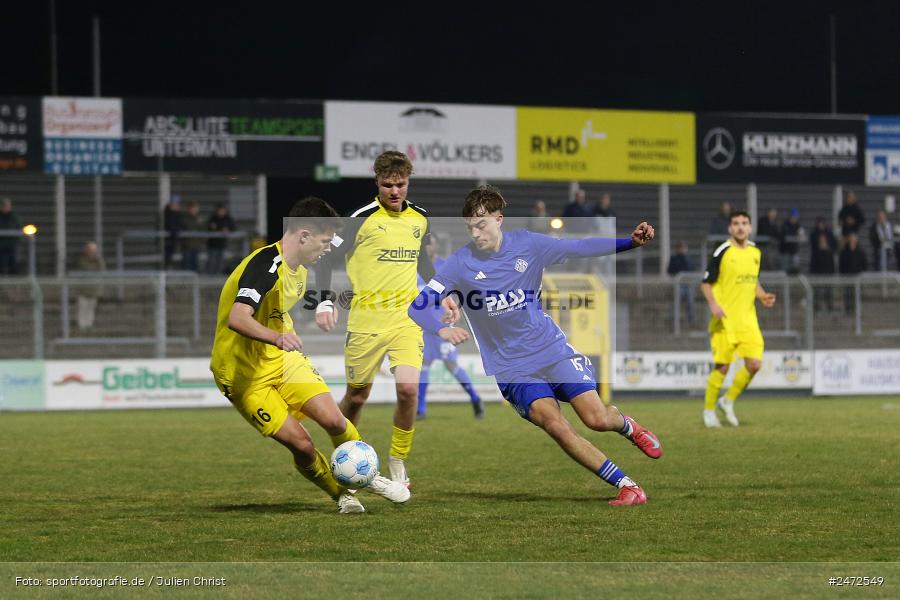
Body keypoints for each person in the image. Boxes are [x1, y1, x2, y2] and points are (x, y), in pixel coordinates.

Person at [408, 185, 662, 507]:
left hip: (550, 349)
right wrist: (442, 329)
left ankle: (628, 426)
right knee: (556, 425)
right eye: (470, 226)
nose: (475, 233)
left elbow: (580, 247)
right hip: (511, 367)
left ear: (499, 219)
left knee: (597, 419)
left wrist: (629, 242)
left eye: (481, 224)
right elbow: (417, 306)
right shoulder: (460, 262)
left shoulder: (528, 244)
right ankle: (628, 486)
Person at [209, 196, 409, 514]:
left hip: (282, 360)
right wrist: (277, 336)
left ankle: (368, 475)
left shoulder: (301, 267)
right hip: (242, 375)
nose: (328, 249)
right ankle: (341, 495)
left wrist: (324, 305)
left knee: (335, 420)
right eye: (325, 241)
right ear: (303, 235)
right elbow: (238, 318)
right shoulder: (265, 265)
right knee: (302, 445)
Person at [314, 150, 435, 489]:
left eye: (401, 185)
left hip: (406, 320)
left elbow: (424, 263)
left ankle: (398, 461)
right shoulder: (360, 219)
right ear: (377, 183)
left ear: (408, 182)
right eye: (387, 185)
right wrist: (324, 302)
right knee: (356, 398)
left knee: (408, 390)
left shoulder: (421, 218)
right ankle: (345, 456)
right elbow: (325, 260)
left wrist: (444, 293)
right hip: (366, 322)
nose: (395, 191)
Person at [700, 210, 777, 428]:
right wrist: (713, 305)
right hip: (725, 320)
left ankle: (727, 400)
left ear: (750, 227)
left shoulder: (755, 252)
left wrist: (762, 295)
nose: (740, 227)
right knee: (722, 368)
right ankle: (709, 411)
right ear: (730, 228)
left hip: (748, 320)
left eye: (744, 223)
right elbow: (705, 282)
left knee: (754, 364)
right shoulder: (723, 250)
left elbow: (752, 281)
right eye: (736, 223)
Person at [416, 234, 483, 420]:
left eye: (430, 244)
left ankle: (475, 398)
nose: (427, 247)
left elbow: (461, 291)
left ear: (435, 246)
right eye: (424, 244)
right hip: (425, 325)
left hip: (444, 323)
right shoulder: (415, 269)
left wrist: (456, 313)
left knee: (451, 364)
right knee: (424, 364)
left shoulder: (445, 266)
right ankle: (420, 409)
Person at [75, 241, 105, 330]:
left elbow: (102, 268)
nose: (92, 252)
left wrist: (98, 259)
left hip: (94, 289)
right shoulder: (82, 260)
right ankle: (81, 326)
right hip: (83, 290)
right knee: (82, 308)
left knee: (91, 309)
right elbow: (87, 269)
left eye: (93, 250)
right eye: (90, 250)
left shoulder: (98, 260)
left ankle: (89, 325)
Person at [809, 217, 837, 313]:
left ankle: (830, 307)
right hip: (817, 268)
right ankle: (816, 308)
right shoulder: (814, 235)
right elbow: (813, 248)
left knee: (829, 290)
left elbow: (835, 247)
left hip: (828, 268)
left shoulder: (830, 234)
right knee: (817, 290)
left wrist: (827, 248)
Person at [667, 240, 696, 326]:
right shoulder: (674, 259)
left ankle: (691, 322)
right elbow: (670, 271)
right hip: (678, 285)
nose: (682, 249)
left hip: (688, 285)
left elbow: (692, 269)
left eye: (683, 248)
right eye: (680, 248)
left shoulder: (689, 259)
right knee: (676, 304)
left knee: (690, 304)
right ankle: (674, 322)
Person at [839, 233, 867, 316]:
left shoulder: (861, 252)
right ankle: (848, 310)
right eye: (851, 240)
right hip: (847, 277)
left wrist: (862, 275)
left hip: (857, 277)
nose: (852, 242)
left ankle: (856, 310)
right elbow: (841, 265)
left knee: (856, 295)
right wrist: (842, 275)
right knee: (847, 295)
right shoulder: (844, 252)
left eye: (854, 240)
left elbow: (864, 265)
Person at [207, 203, 236, 275]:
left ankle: (218, 275)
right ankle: (210, 275)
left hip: (222, 244)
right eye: (220, 210)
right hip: (212, 244)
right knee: (212, 261)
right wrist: (220, 228)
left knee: (220, 261)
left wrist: (227, 229)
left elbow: (233, 227)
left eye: (223, 210)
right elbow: (210, 227)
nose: (222, 212)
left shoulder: (228, 218)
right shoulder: (213, 218)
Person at [0, 198, 23, 275]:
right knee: (2, 263)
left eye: (7, 206)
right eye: (4, 206)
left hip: (12, 245)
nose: (6, 208)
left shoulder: (14, 217)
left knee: (13, 264)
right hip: (1, 245)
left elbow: (19, 228)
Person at [180, 201, 205, 272]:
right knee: (186, 264)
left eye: (195, 208)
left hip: (196, 245)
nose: (194, 210)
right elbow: (185, 229)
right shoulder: (184, 218)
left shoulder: (200, 219)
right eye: (192, 208)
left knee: (195, 264)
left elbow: (203, 230)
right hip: (187, 245)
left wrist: (201, 241)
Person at [779, 208, 804, 274]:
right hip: (785, 250)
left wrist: (800, 235)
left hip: (794, 250)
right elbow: (785, 236)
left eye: (796, 217)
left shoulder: (798, 225)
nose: (794, 219)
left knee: (795, 266)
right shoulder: (785, 224)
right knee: (785, 268)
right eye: (793, 217)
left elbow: (801, 234)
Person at [162, 195, 183, 269]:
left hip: (173, 239)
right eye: (176, 204)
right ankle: (165, 270)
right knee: (167, 257)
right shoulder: (167, 214)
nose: (178, 206)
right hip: (167, 240)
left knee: (171, 257)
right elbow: (169, 226)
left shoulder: (178, 214)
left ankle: (169, 268)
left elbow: (180, 225)